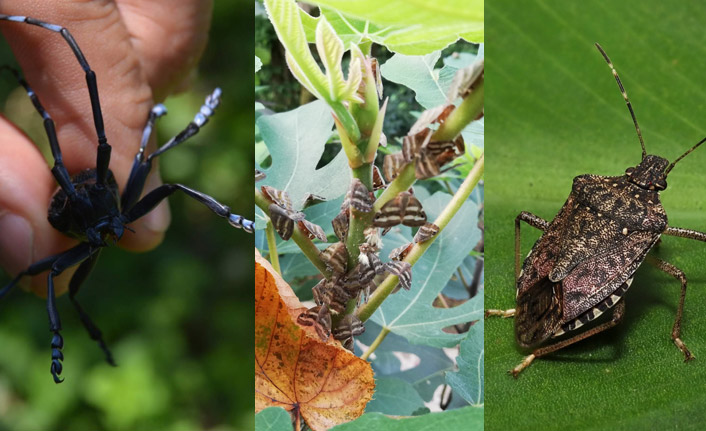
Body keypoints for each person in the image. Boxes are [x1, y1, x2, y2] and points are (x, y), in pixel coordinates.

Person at [0, 0, 212, 296]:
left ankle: (66, 337)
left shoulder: (110, 222)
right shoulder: (104, 211)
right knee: (107, 142)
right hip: (76, 200)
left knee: (131, 155)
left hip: (86, 201)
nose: (115, 234)